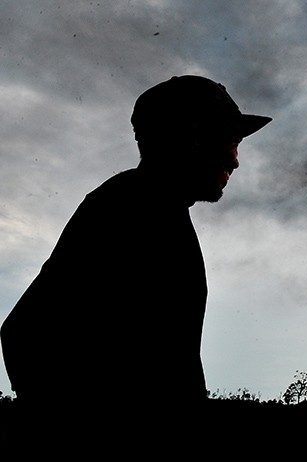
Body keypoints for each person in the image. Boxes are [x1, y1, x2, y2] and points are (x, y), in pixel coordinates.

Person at [0, 75, 271, 453]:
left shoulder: (154, 209)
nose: (235, 160)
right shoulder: (131, 209)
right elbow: (23, 332)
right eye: (232, 140)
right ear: (195, 135)